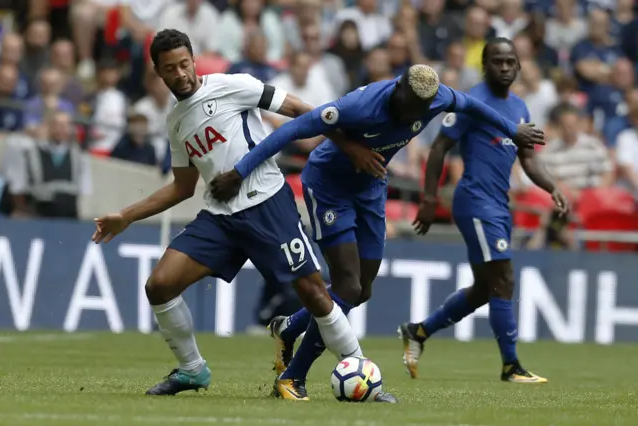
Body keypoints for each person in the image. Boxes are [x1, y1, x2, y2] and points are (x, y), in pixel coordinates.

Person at [91, 29, 396, 402]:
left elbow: (303, 112)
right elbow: (182, 187)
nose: (181, 74)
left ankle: (359, 367)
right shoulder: (175, 122)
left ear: (193, 59)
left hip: (268, 204)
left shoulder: (232, 86)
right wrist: (126, 215)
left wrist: (349, 148)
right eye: (170, 69)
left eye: (185, 64)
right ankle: (192, 370)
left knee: (315, 294)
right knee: (159, 285)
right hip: (220, 218)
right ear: (158, 71)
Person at [209, 63, 546, 399]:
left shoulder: (436, 96)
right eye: (411, 105)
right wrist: (239, 173)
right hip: (329, 187)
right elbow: (291, 131)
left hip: (370, 187)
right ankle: (293, 377)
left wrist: (512, 130)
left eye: (422, 109)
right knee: (347, 285)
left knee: (362, 289)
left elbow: (473, 105)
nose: (415, 114)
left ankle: (290, 327)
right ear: (398, 87)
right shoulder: (362, 104)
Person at [399, 38, 569, 383]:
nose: (504, 67)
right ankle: (511, 366)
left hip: (499, 204)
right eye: (497, 61)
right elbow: (438, 149)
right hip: (475, 201)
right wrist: (430, 200)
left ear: (519, 66)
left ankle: (418, 331)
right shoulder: (471, 102)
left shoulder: (520, 108)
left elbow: (529, 159)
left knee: (483, 288)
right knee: (504, 279)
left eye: (510, 62)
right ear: (485, 65)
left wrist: (551, 186)